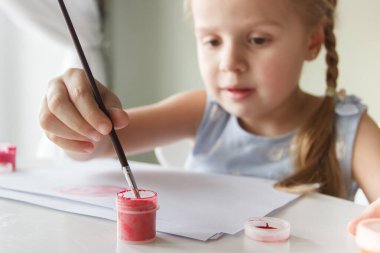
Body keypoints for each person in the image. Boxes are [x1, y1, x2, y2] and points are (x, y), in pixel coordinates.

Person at [39, 0, 380, 202]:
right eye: (212, 41)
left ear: (312, 41)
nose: (230, 63)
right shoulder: (202, 112)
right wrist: (78, 117)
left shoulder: (349, 129)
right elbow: (96, 145)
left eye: (258, 39)